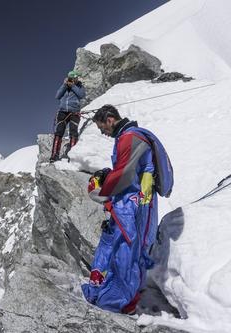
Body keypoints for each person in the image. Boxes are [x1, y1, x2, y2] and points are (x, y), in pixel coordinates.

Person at [82, 104, 161, 314]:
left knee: (128, 250)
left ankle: (123, 300)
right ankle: (119, 293)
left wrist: (102, 193)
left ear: (110, 119)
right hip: (133, 201)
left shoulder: (130, 137)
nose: (103, 133)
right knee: (124, 248)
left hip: (135, 202)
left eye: (103, 128)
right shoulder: (127, 137)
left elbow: (124, 174)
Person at [50, 70, 85, 162]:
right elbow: (57, 96)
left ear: (77, 78)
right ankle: (54, 155)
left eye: (74, 78)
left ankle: (72, 157)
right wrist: (64, 85)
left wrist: (73, 86)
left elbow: (81, 95)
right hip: (62, 112)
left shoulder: (79, 86)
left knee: (73, 133)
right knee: (59, 132)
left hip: (74, 112)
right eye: (71, 78)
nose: (73, 80)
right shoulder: (65, 86)